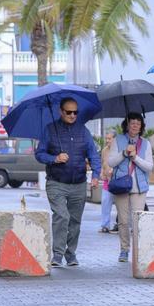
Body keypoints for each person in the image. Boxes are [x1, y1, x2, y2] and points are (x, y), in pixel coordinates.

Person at [34, 97, 101, 267]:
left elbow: (93, 154)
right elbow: (39, 154)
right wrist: (55, 158)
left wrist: (95, 174)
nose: (72, 115)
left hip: (78, 183)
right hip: (56, 182)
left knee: (75, 220)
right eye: (69, 112)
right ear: (61, 112)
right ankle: (57, 254)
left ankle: (70, 254)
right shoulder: (50, 130)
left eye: (75, 112)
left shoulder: (83, 131)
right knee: (62, 216)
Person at [108, 113, 153, 263]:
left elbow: (149, 167)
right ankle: (124, 250)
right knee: (123, 221)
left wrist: (135, 158)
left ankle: (138, 250)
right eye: (132, 123)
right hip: (121, 185)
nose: (135, 126)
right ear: (126, 124)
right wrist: (123, 153)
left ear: (141, 126)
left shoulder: (145, 143)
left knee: (137, 221)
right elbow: (111, 162)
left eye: (138, 123)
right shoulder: (118, 140)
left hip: (139, 188)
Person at [99, 132, 118, 234]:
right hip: (107, 181)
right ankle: (105, 225)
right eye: (106, 138)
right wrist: (102, 173)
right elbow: (103, 164)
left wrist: (113, 171)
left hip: (118, 182)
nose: (107, 141)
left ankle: (121, 225)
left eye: (109, 139)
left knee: (121, 205)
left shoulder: (120, 150)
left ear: (115, 139)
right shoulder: (104, 150)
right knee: (105, 203)